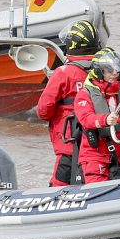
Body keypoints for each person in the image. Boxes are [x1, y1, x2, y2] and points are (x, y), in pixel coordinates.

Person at [36, 20, 101, 186]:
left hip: (70, 147)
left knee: (58, 188)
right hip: (99, 149)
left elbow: (43, 111)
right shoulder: (104, 71)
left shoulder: (64, 73)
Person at [73, 48, 120, 184]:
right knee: (98, 194)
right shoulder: (85, 94)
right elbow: (86, 119)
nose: (115, 73)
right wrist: (105, 119)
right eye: (109, 70)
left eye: (117, 70)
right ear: (99, 71)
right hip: (96, 158)